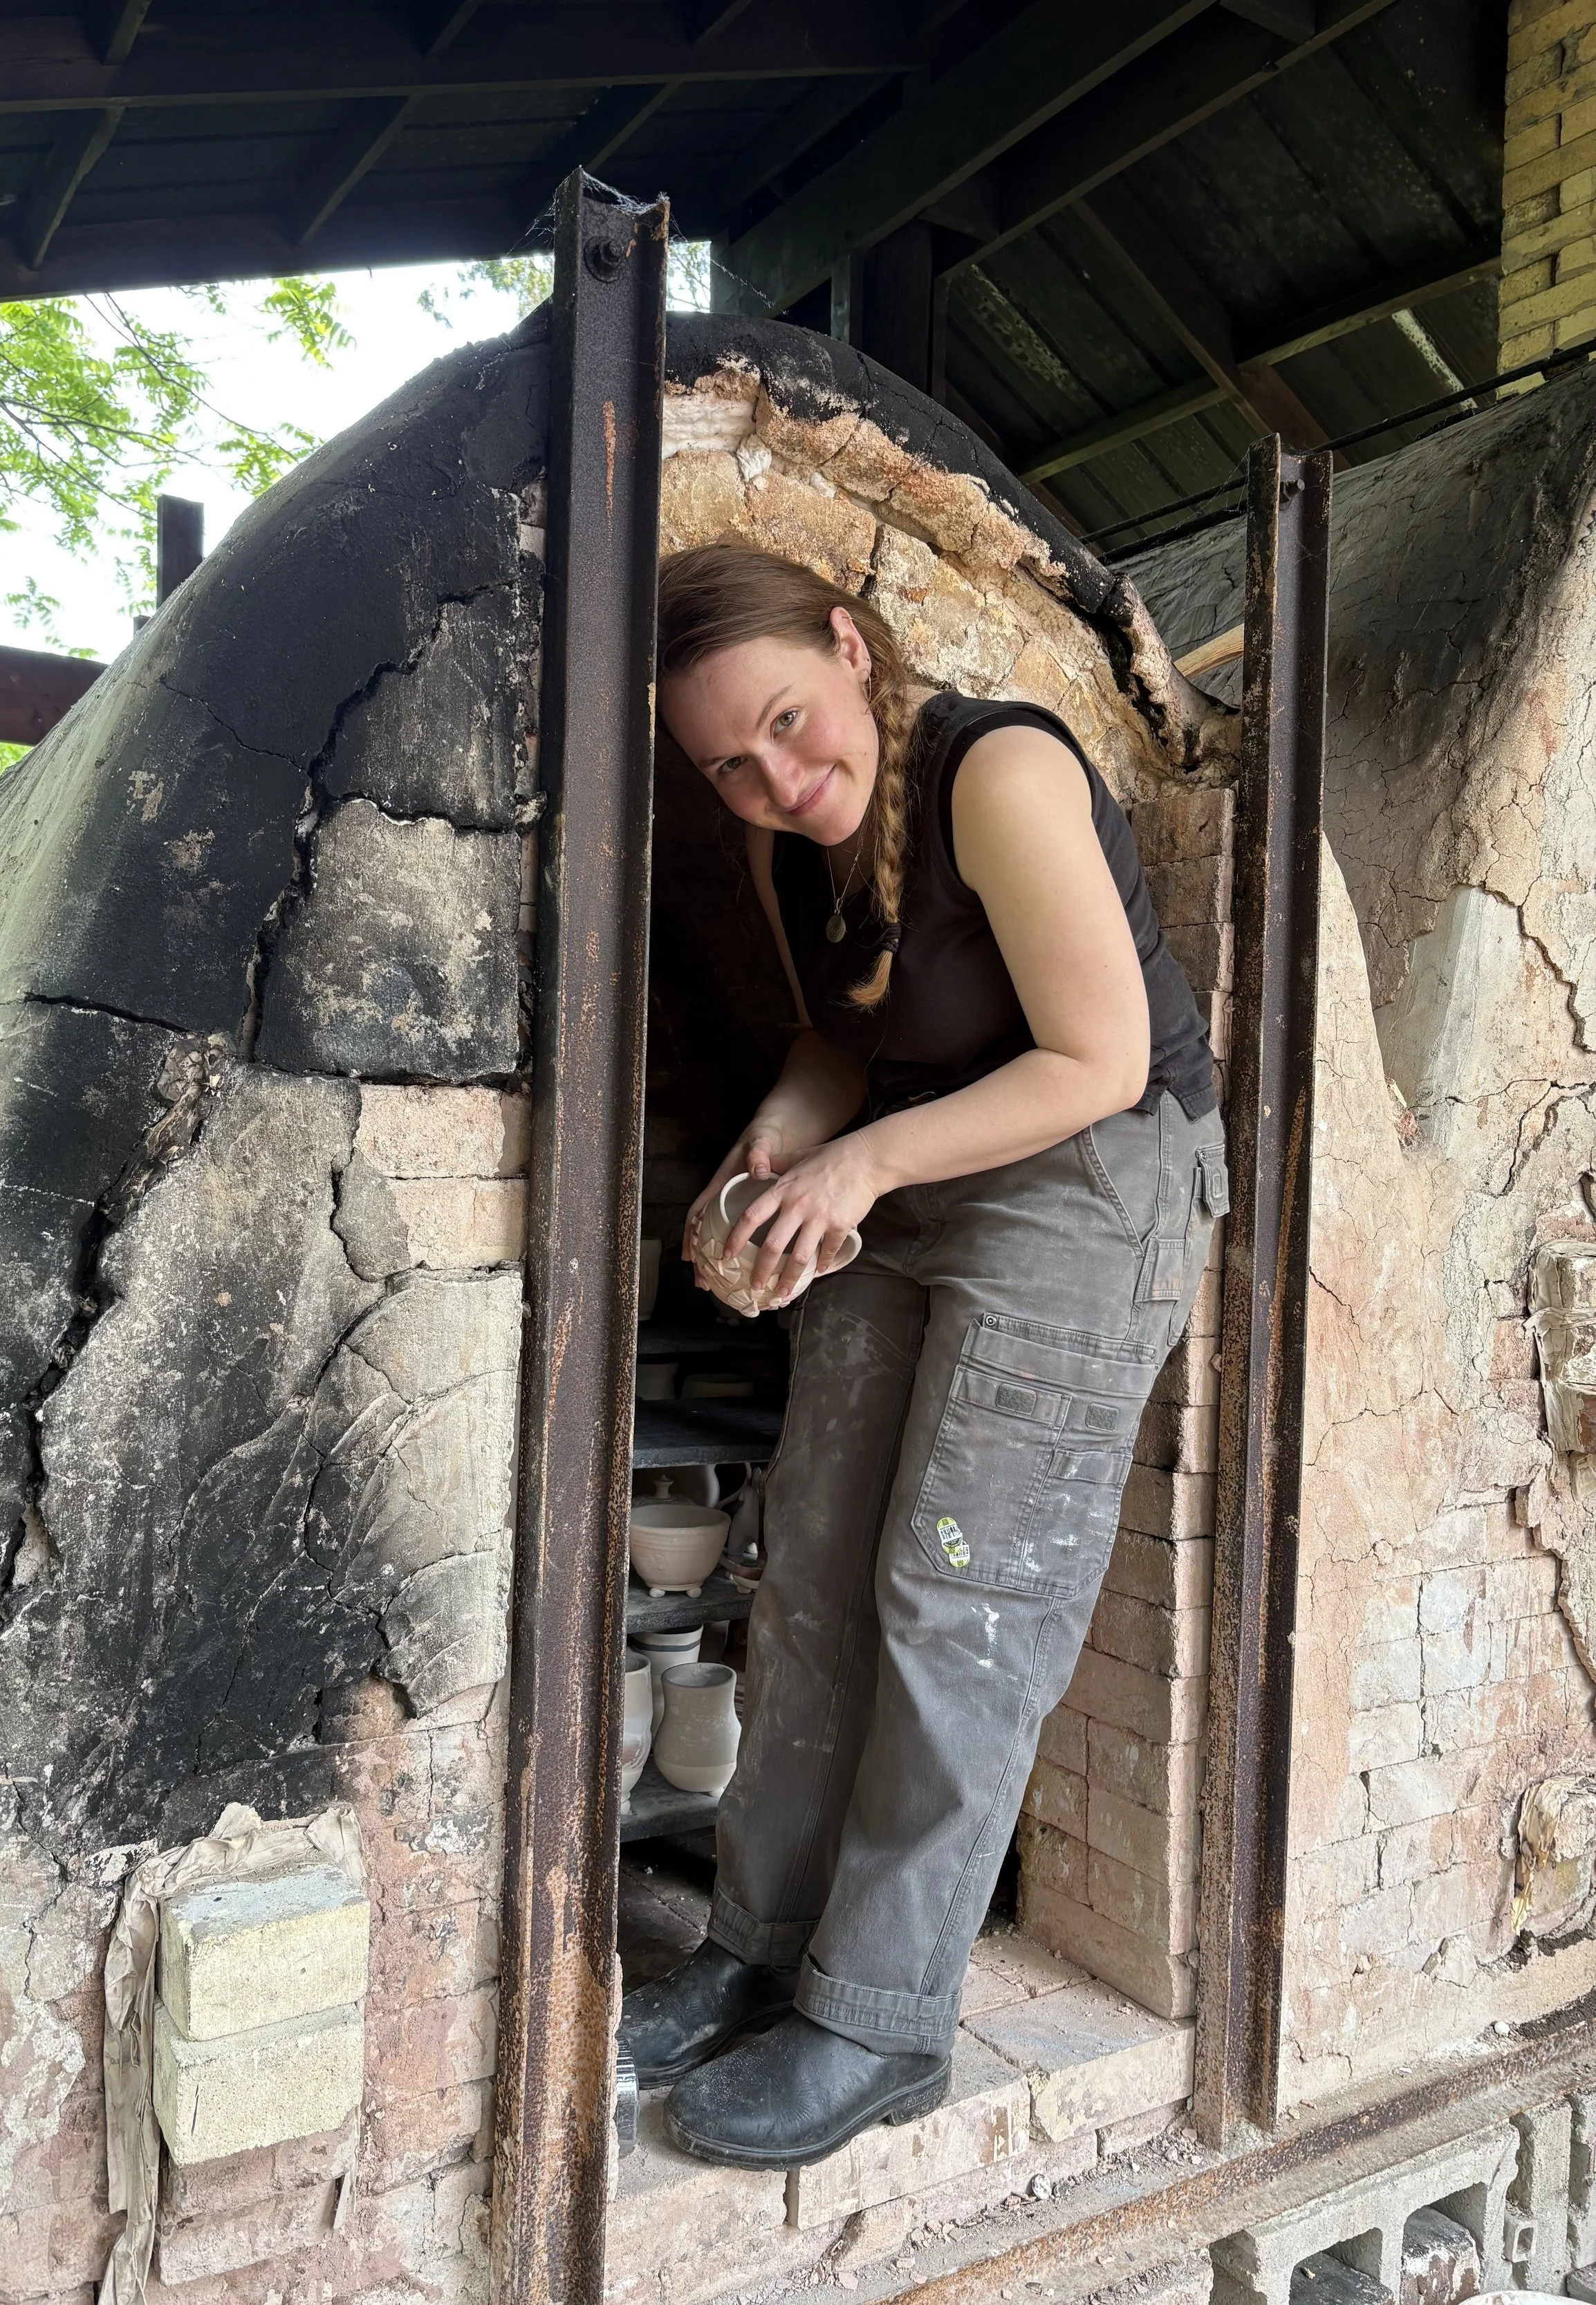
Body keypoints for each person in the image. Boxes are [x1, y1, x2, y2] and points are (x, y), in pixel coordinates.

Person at [621, 540, 1226, 2171]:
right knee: (809, 1570)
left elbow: (1095, 1057)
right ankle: (758, 1948)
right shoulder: (792, 836)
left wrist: (861, 1169)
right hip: (925, 1163)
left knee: (954, 1603)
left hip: (1090, 1173)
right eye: (726, 765)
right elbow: (840, 1034)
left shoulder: (996, 767)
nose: (772, 777)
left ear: (849, 645)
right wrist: (770, 1156)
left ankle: (880, 2021)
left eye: (790, 725)